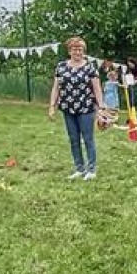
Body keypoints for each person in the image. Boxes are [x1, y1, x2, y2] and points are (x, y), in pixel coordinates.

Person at [47, 36, 104, 180]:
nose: (77, 52)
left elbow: (97, 89)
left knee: (88, 139)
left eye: (80, 49)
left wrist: (101, 107)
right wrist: (52, 106)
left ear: (83, 51)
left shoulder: (90, 67)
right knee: (73, 139)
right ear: (69, 51)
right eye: (74, 49)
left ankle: (91, 169)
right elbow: (56, 88)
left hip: (86, 108)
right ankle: (79, 168)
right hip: (68, 108)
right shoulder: (61, 67)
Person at [100, 64, 122, 129]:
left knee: (111, 109)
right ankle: (111, 121)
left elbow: (103, 90)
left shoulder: (108, 83)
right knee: (111, 109)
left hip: (109, 97)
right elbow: (121, 85)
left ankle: (111, 120)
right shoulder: (112, 83)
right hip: (110, 97)